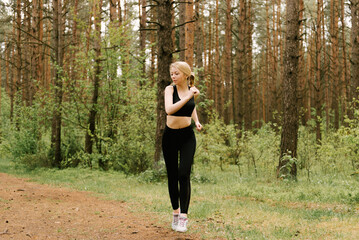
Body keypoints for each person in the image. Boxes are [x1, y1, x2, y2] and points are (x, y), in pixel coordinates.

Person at [162, 61, 202, 233]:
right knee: (172, 175)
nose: (173, 76)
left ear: (186, 75)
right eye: (172, 73)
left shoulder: (191, 90)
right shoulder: (169, 90)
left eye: (176, 73)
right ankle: (176, 213)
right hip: (170, 136)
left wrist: (197, 121)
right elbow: (169, 109)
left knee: (184, 173)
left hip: (187, 136)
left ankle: (184, 217)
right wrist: (188, 96)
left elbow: (191, 108)